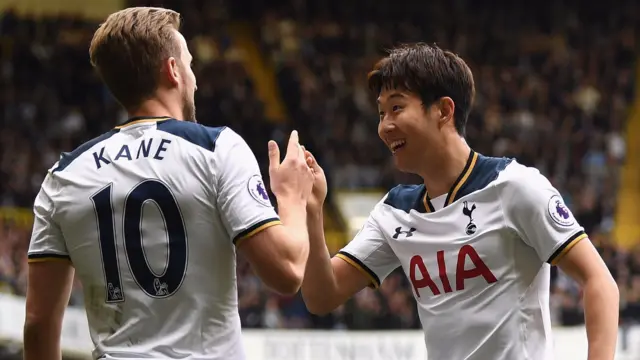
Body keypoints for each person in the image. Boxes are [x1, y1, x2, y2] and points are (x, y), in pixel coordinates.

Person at [23, 7, 313, 360]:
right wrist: (292, 196)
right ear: (173, 71)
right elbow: (286, 272)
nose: (196, 79)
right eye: (190, 64)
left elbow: (38, 325)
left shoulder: (64, 176)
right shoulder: (215, 147)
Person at [301, 43, 619, 360]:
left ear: (444, 110)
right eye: (381, 113)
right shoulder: (394, 212)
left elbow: (599, 281)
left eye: (397, 108)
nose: (384, 126)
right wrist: (313, 210)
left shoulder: (514, 187)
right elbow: (321, 296)